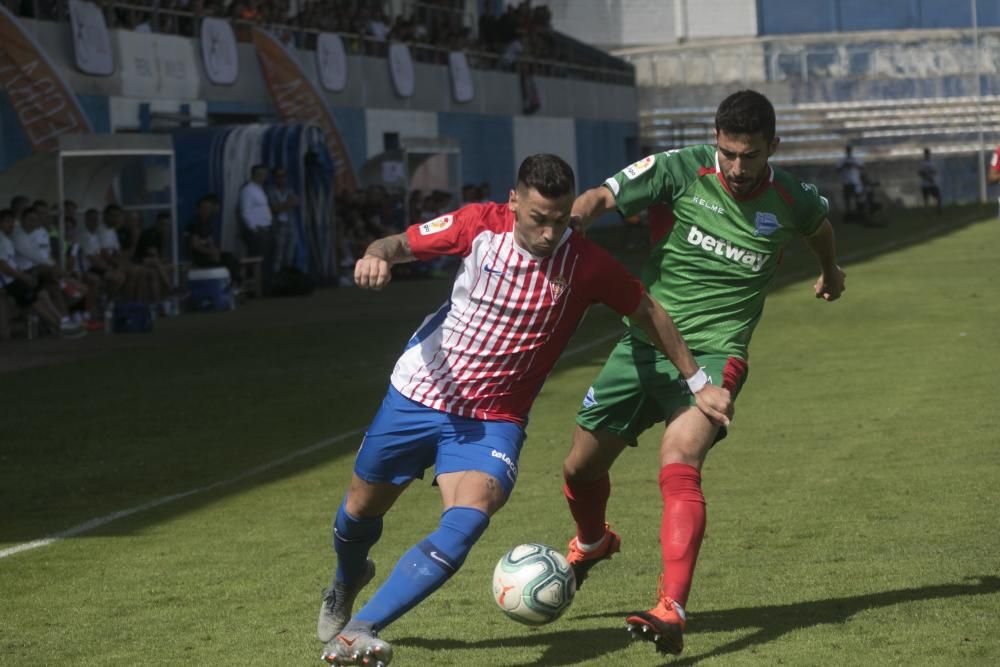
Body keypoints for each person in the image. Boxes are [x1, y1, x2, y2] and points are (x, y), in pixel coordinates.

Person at [317, 154, 733, 667]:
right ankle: (347, 579)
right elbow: (399, 244)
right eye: (538, 219)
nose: (548, 233)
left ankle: (361, 629)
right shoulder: (478, 225)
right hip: (417, 395)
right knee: (359, 510)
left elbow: (646, 309)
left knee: (468, 519)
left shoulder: (585, 263)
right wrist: (375, 254)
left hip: (493, 421)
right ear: (514, 202)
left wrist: (697, 382)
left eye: (560, 221)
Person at [559, 90, 845, 657]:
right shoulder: (680, 168)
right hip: (643, 344)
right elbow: (601, 196)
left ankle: (671, 608)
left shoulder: (791, 196)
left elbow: (819, 228)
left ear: (773, 148)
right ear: (716, 140)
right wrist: (572, 226)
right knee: (578, 468)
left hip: (717, 354)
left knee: (680, 458)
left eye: (751, 156)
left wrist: (830, 271)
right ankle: (593, 543)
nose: (738, 168)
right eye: (729, 153)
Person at [266, 167, 300, 273]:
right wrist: (287, 204)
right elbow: (272, 209)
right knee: (277, 256)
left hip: (290, 225)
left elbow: (296, 201)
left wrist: (282, 206)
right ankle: (276, 280)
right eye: (279, 176)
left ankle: (287, 279)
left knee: (289, 256)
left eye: (284, 176)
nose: (282, 179)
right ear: (274, 178)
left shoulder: (289, 189)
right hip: (277, 227)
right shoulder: (269, 191)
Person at [836, 145, 866, 223]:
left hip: (855, 181)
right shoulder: (842, 160)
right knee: (847, 200)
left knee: (857, 199)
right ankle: (849, 216)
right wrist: (844, 165)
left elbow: (862, 167)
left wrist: (853, 165)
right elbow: (837, 170)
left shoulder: (855, 159)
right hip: (846, 182)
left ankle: (859, 215)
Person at [917, 148, 942, 212]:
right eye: (926, 154)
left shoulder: (932, 162)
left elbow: (935, 171)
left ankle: (938, 209)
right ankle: (926, 212)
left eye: (928, 154)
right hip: (925, 184)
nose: (927, 155)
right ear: (925, 154)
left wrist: (932, 175)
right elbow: (920, 173)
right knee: (926, 199)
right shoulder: (922, 163)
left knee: (938, 196)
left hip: (932, 183)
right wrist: (928, 178)